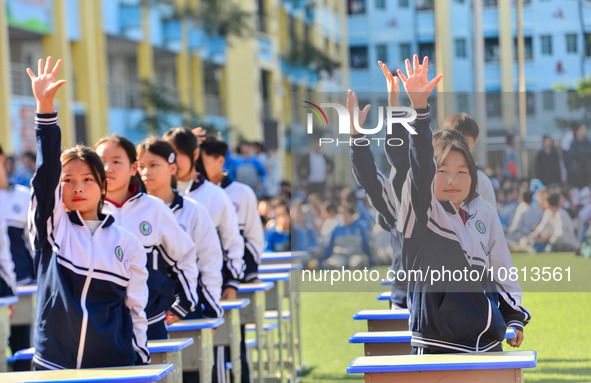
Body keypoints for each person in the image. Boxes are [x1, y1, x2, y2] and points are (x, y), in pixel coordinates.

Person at [386, 55, 529, 353]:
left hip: (488, 341)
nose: (453, 179)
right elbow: (418, 165)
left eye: (462, 171)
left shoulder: (484, 212)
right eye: (443, 171)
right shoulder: (422, 211)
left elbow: (502, 267)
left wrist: (514, 316)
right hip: (437, 344)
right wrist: (419, 108)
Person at [26, 57, 150, 369]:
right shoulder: (52, 229)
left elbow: (135, 307)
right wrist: (45, 107)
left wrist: (138, 356)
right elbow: (45, 176)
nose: (77, 187)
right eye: (68, 180)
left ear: (102, 186)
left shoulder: (128, 243)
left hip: (114, 365)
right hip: (55, 366)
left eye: (87, 180)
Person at [95, 135, 199, 340]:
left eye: (116, 161)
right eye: (101, 162)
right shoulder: (85, 210)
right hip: (99, 324)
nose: (108, 168)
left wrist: (185, 302)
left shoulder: (153, 208)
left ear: (133, 168)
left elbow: (183, 254)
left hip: (150, 320)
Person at [347, 62, 407, 308]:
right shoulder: (400, 205)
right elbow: (370, 178)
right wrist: (356, 136)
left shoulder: (449, 203)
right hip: (404, 296)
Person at [163, 127, 245, 301]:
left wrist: (231, 283)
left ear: (194, 155)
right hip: (166, 292)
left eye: (177, 154)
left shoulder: (215, 195)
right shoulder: (156, 195)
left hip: (206, 289)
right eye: (167, 155)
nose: (173, 162)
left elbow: (231, 241)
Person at [0, 144, 34, 370]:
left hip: (26, 290)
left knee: (24, 352)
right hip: (6, 290)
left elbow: (35, 246)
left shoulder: (24, 197)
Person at [441, 113, 497, 208]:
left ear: (475, 141)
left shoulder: (482, 181)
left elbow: (491, 219)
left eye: (465, 140)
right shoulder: (436, 176)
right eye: (453, 138)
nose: (458, 144)